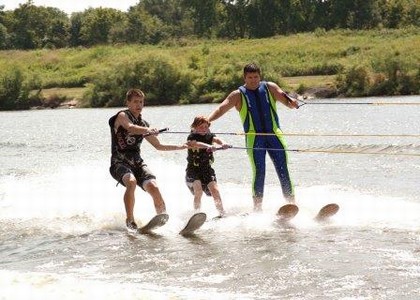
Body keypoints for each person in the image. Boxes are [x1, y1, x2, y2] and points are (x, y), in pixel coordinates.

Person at [208, 63, 300, 211]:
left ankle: (292, 205)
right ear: (244, 77)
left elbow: (286, 99)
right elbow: (221, 108)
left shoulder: (270, 87)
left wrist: (293, 104)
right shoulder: (238, 94)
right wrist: (208, 120)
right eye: (250, 77)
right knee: (259, 171)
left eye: (256, 77)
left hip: (275, 136)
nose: (253, 80)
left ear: (260, 76)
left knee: (283, 170)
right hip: (254, 139)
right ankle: (257, 209)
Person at [109, 88, 188, 230]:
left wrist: (181, 146)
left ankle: (164, 219)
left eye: (141, 102)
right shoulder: (122, 116)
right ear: (128, 103)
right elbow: (131, 128)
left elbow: (159, 146)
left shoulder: (144, 124)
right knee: (131, 182)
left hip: (136, 162)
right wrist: (148, 130)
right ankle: (130, 220)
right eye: (135, 102)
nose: (138, 105)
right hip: (118, 162)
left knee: (153, 186)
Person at [185, 116, 229, 217]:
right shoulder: (191, 137)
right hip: (193, 170)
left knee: (215, 191)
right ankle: (196, 214)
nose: (204, 129)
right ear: (194, 127)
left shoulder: (209, 136)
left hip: (207, 170)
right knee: (198, 190)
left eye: (206, 127)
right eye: (201, 127)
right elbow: (196, 144)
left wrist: (224, 143)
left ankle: (222, 213)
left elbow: (216, 139)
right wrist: (208, 146)